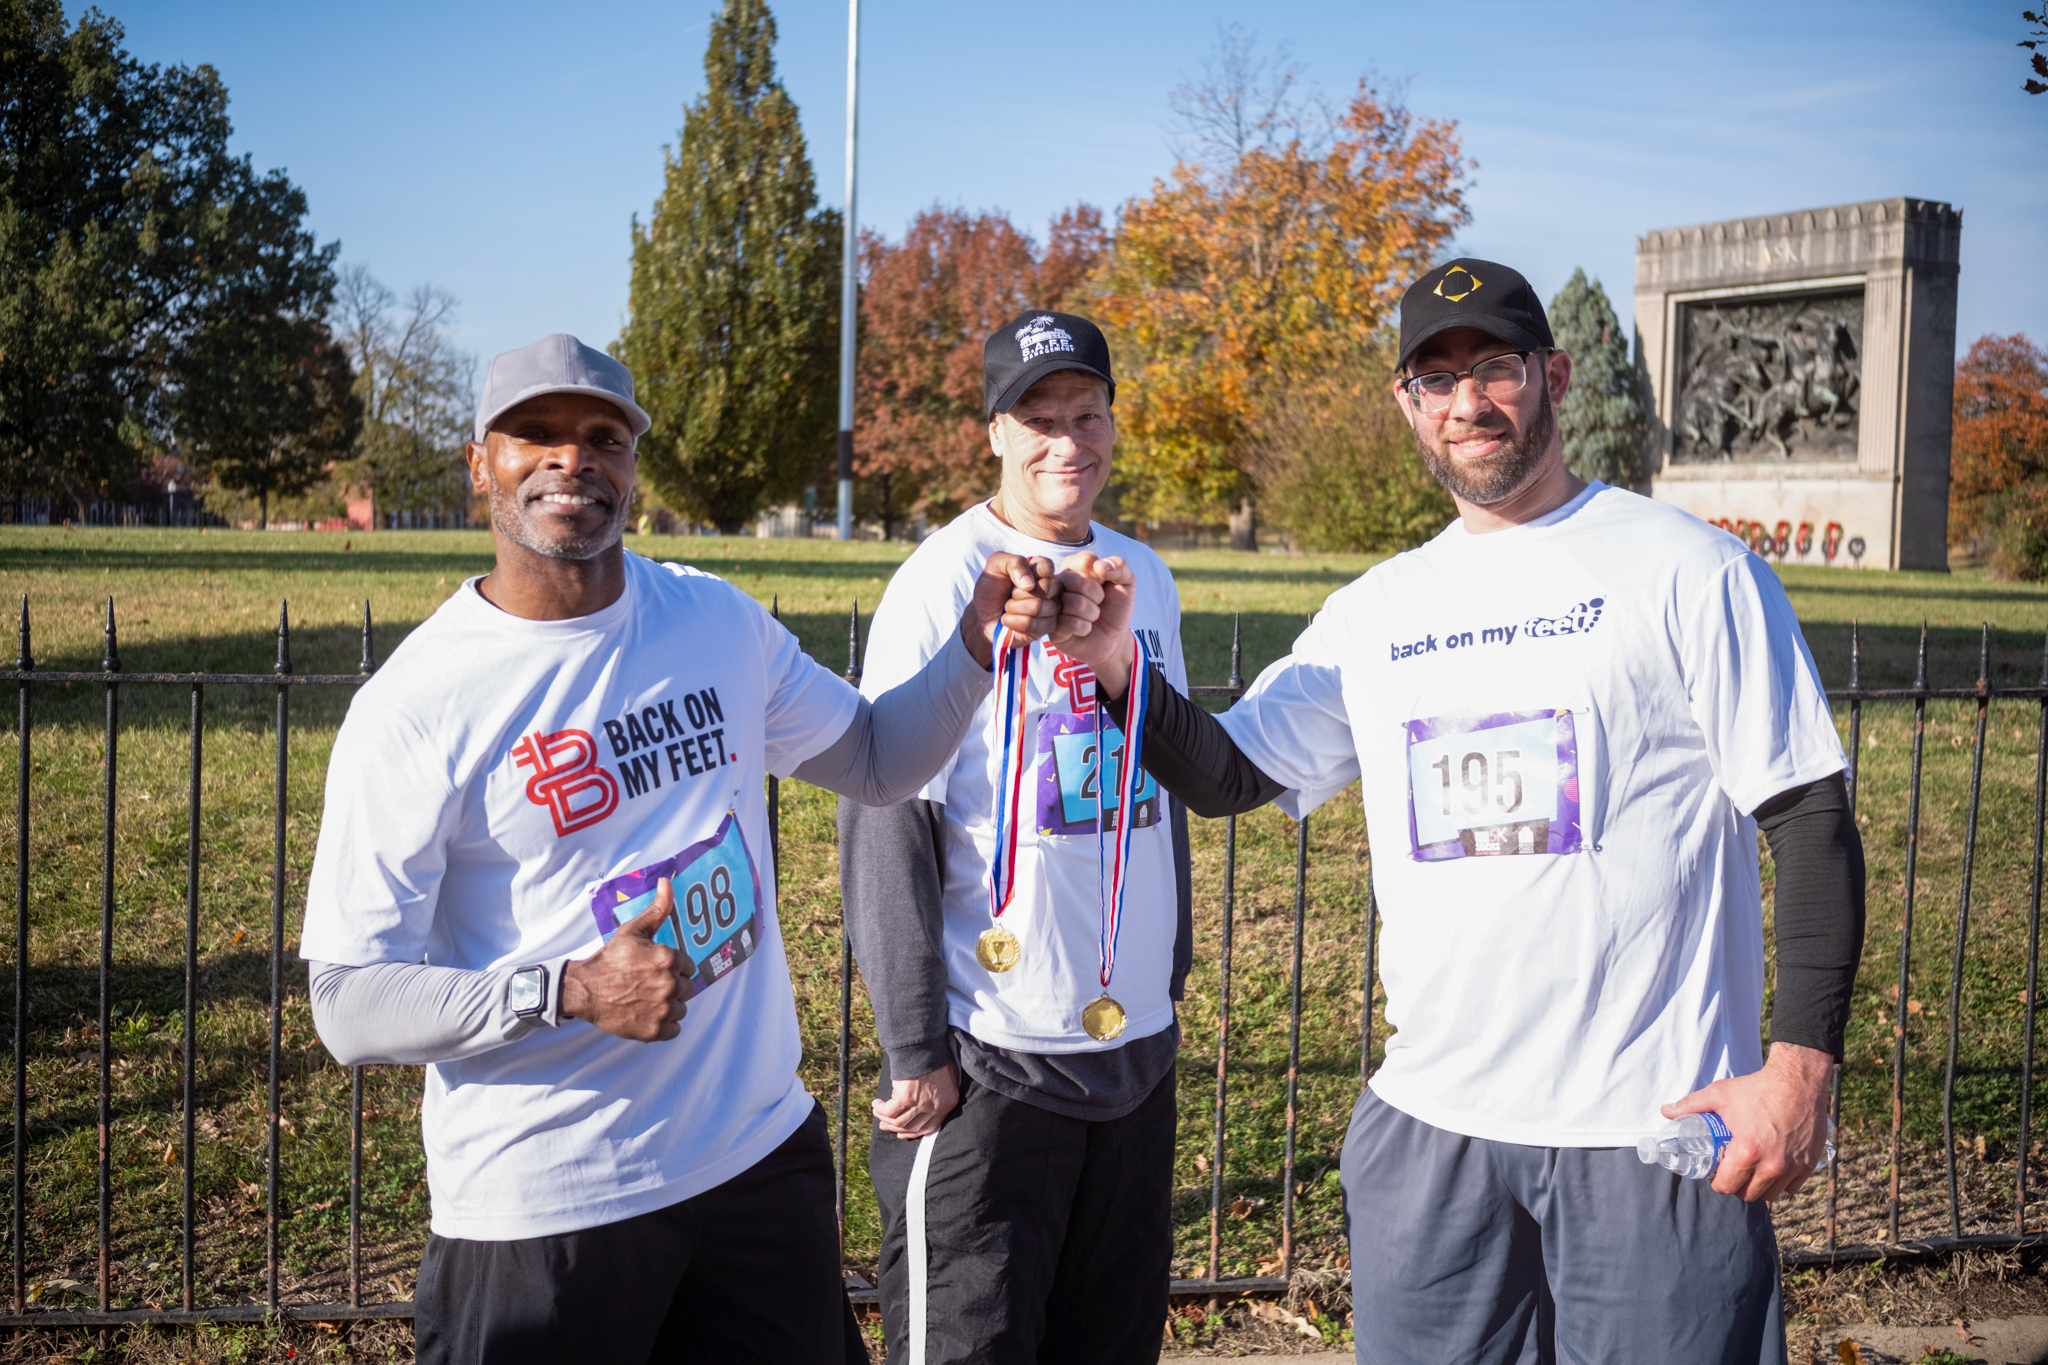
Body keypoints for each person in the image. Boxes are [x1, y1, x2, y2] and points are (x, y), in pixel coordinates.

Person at [1046, 261, 1866, 1365]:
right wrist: (1116, 674)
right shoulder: (1377, 610)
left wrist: (1799, 1070)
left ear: (1552, 376)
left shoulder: (1688, 571)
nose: (1465, 402)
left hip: (1645, 1131)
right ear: (1405, 406)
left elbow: (1807, 814)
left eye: (1492, 368)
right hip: (1433, 1135)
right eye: (1433, 380)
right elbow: (1231, 774)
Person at [301, 333, 1060, 1365]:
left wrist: (975, 646)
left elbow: (879, 761)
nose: (572, 460)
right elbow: (348, 1003)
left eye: (602, 438)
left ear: (631, 469)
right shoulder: (418, 704)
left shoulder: (710, 619)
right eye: (536, 435)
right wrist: (567, 989)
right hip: (546, 1203)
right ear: (481, 463)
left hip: (752, 1161)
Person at [840, 310, 1191, 1365]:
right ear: (993, 431)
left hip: (1129, 1051)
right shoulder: (946, 579)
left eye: (1085, 415)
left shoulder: (1143, 576)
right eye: (1037, 419)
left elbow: (1157, 781)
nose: (1065, 443)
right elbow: (887, 812)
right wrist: (914, 1044)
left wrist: (1163, 982)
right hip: (990, 1058)